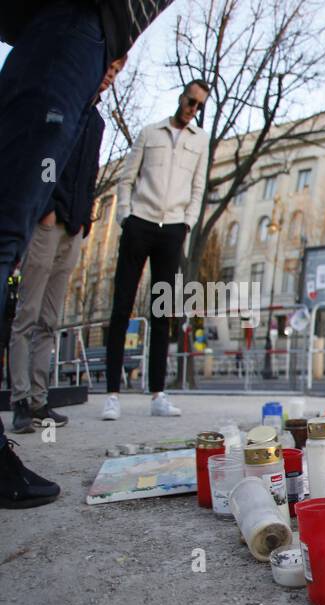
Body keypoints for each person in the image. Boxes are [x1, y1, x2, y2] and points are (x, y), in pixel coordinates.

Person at [10, 56, 126, 434]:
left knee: (50, 319)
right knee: (27, 315)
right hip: (47, 222)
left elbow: (90, 174)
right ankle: (20, 401)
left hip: (74, 227)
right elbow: (44, 157)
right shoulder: (62, 103)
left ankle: (40, 400)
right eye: (107, 67)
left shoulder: (96, 121)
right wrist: (43, 206)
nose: (109, 76)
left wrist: (86, 219)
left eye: (115, 71)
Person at [102, 78, 210, 421]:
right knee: (122, 307)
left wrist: (187, 225)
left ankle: (158, 394)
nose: (193, 110)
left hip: (172, 230)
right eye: (190, 102)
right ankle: (112, 395)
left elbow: (198, 187)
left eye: (199, 106)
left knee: (162, 314)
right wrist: (125, 218)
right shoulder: (150, 133)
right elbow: (126, 179)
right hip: (140, 223)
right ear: (181, 98)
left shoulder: (201, 142)